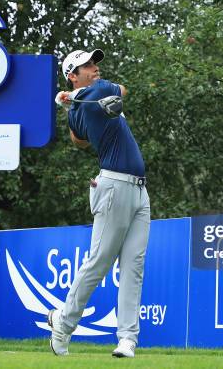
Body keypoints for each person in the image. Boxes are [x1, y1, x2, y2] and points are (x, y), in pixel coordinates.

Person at [48, 49, 151, 358]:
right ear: (73, 75)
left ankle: (127, 340)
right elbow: (121, 90)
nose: (95, 68)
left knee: (134, 266)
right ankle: (63, 326)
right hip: (114, 187)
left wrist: (70, 101)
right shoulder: (97, 93)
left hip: (139, 191)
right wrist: (74, 100)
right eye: (87, 66)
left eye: (95, 63)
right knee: (98, 263)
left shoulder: (83, 101)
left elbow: (77, 139)